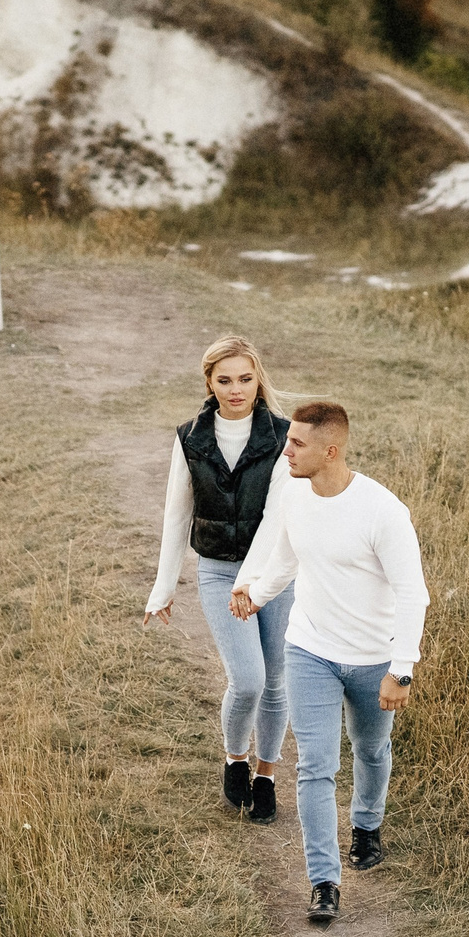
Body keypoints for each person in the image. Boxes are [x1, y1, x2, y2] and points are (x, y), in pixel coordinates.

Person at [230, 401, 428, 926]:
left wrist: (401, 668)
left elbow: (413, 594)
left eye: (297, 443)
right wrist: (256, 595)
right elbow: (285, 561)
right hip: (310, 650)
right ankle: (324, 882)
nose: (286, 451)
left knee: (371, 748)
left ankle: (366, 825)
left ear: (331, 451)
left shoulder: (382, 511)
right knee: (316, 766)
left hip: (373, 658)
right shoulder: (294, 496)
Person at [144, 335, 298, 821]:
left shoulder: (283, 436)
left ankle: (266, 774)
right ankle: (236, 758)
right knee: (248, 679)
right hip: (217, 571)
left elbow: (277, 517)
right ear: (209, 382)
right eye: (225, 380)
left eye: (246, 379)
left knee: (276, 679)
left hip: (276, 573)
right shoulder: (190, 438)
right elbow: (177, 514)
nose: (236, 390)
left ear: (258, 380)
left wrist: (252, 584)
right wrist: (163, 588)